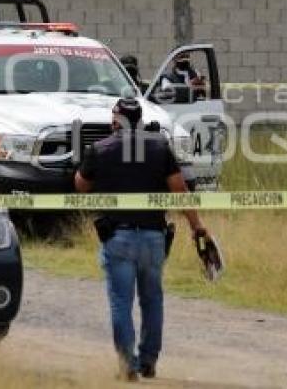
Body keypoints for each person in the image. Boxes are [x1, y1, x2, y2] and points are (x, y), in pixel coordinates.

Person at [74, 97, 209, 382]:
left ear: (115, 121)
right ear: (140, 120)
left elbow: (81, 186)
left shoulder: (99, 149)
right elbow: (179, 189)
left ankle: (128, 366)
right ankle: (148, 362)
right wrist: (196, 226)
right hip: (153, 237)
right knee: (152, 299)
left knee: (121, 302)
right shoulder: (159, 146)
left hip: (118, 236)